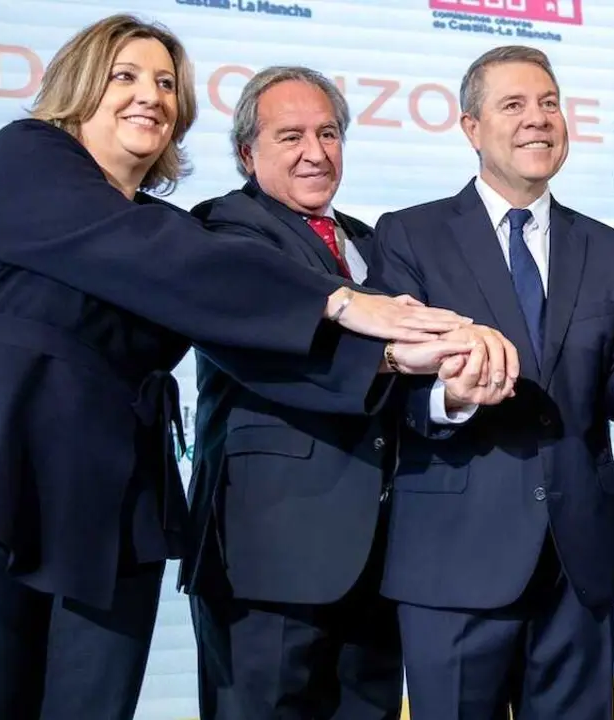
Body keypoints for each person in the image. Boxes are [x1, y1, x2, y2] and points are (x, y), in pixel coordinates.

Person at [0, 15, 471, 720]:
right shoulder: (27, 156)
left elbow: (239, 316)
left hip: (112, 514)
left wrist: (396, 351)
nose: (152, 95)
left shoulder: (171, 226)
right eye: (126, 76)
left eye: (166, 83)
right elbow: (159, 257)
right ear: (80, 87)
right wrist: (344, 303)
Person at [180, 65, 515, 720]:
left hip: (384, 557)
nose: (315, 152)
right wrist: (392, 354)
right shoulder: (226, 232)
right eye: (291, 136)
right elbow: (281, 339)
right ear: (248, 152)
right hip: (268, 560)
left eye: (328, 133)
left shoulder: (371, 242)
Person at [365, 45, 614, 720]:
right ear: (471, 127)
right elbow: (382, 382)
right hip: (453, 560)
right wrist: (450, 397)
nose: (538, 119)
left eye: (549, 103)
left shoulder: (609, 246)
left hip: (578, 561)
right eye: (514, 105)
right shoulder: (409, 237)